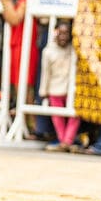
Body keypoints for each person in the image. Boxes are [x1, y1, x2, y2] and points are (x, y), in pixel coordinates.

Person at [39, 21, 81, 151]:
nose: (63, 36)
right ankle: (64, 141)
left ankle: (67, 141)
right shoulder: (48, 51)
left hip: (71, 89)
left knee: (75, 115)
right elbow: (45, 73)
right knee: (57, 118)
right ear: (55, 32)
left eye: (66, 33)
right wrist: (43, 91)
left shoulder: (74, 49)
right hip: (55, 88)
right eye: (60, 33)